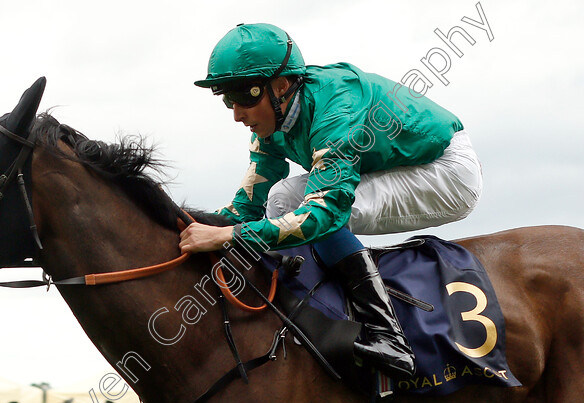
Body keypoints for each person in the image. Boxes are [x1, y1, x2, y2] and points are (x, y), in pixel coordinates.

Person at [186, 23, 483, 379]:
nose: (237, 113)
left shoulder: (335, 111)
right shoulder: (273, 119)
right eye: (227, 99)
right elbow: (244, 208)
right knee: (282, 197)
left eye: (246, 97)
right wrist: (193, 226)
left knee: (318, 209)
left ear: (281, 86)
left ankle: (388, 335)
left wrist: (229, 236)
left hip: (444, 170)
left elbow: (323, 214)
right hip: (395, 164)